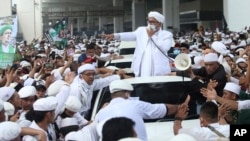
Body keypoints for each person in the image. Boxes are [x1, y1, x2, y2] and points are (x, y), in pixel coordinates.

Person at [95, 79, 190, 141]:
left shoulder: (101, 112)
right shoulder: (134, 104)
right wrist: (180, 107)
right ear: (127, 94)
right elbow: (163, 110)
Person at [102, 11, 173, 77]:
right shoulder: (141, 31)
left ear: (159, 23)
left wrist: (153, 36)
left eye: (152, 22)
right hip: (142, 68)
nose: (150, 24)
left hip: (159, 70)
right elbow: (130, 35)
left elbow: (165, 48)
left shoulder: (166, 34)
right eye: (149, 21)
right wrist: (115, 36)